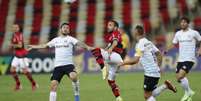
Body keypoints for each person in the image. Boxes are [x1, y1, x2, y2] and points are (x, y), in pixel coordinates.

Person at [28, 23, 90, 101]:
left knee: (73, 76)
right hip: (58, 67)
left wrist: (87, 47)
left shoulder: (70, 39)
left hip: (68, 65)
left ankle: (76, 94)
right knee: (53, 85)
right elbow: (45, 46)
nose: (66, 29)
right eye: (64, 27)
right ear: (61, 29)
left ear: (69, 30)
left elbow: (79, 43)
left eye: (67, 28)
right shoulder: (55, 40)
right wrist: (33, 46)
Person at [118, 25, 177, 101]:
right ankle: (165, 86)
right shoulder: (148, 42)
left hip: (150, 73)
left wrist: (122, 63)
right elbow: (159, 54)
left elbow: (135, 60)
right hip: (154, 72)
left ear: (136, 33)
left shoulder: (139, 45)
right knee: (150, 94)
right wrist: (158, 67)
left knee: (147, 96)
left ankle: (165, 86)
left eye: (134, 31)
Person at [90, 20, 123, 101]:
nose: (108, 26)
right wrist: (106, 50)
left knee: (95, 50)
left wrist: (110, 48)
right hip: (114, 62)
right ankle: (118, 97)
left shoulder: (116, 32)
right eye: (108, 25)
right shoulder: (111, 36)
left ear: (115, 27)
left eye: (110, 25)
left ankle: (103, 68)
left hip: (115, 56)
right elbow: (109, 46)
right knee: (111, 81)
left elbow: (115, 43)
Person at [172, 17, 201, 101]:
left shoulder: (194, 33)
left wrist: (199, 50)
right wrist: (166, 50)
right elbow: (174, 43)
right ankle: (189, 92)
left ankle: (187, 93)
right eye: (181, 22)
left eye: (184, 22)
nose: (182, 24)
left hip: (190, 58)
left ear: (188, 24)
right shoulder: (178, 33)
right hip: (181, 58)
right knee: (178, 78)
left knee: (181, 76)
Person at [10, 23, 37, 91]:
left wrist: (12, 45)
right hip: (17, 55)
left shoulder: (19, 35)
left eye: (16, 27)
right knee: (12, 70)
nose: (14, 28)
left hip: (22, 56)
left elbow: (20, 45)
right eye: (14, 27)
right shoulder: (14, 35)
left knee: (25, 72)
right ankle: (18, 85)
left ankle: (34, 84)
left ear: (19, 28)